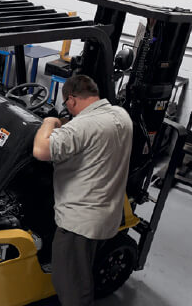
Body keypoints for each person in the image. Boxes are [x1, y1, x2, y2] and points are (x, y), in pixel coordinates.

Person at [32, 74, 133, 306]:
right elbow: (90, 137)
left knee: (71, 285)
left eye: (67, 105)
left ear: (71, 100)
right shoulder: (120, 115)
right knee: (81, 271)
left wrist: (49, 121)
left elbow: (40, 150)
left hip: (78, 221)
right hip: (106, 213)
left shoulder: (82, 126)